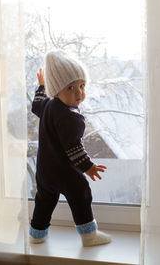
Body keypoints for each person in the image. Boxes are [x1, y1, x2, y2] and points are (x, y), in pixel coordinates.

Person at [29, 50, 111, 247]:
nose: (79, 92)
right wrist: (88, 167)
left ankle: (37, 234)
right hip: (65, 173)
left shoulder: (49, 105)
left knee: (44, 200)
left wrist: (41, 87)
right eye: (71, 87)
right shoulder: (71, 117)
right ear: (56, 89)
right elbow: (74, 148)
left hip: (44, 172)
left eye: (82, 86)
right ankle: (89, 235)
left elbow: (36, 105)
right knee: (81, 195)